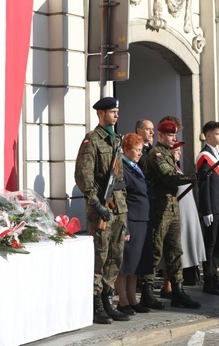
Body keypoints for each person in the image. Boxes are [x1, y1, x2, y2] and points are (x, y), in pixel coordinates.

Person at [75, 96, 130, 324]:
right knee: (100, 256)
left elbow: (119, 177)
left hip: (118, 207)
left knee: (115, 256)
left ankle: (108, 299)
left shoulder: (116, 140)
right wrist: (96, 204)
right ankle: (96, 302)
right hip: (101, 207)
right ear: (101, 113)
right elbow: (83, 176)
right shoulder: (92, 140)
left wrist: (122, 205)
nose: (116, 115)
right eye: (112, 111)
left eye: (117, 111)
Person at [139, 119, 203, 309]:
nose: (173, 138)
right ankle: (147, 291)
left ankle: (178, 290)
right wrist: (194, 176)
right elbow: (169, 177)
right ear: (160, 135)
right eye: (170, 135)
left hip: (172, 208)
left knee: (175, 251)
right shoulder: (157, 154)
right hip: (159, 209)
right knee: (155, 251)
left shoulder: (168, 154)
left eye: (175, 135)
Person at [115, 133, 154, 315]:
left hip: (142, 221)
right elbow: (122, 200)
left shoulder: (135, 167)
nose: (139, 153)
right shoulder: (122, 168)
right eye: (136, 150)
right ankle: (123, 301)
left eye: (140, 150)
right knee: (125, 265)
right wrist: (126, 227)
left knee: (136, 265)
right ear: (126, 150)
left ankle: (132, 299)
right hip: (131, 221)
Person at [196, 121, 219, 294]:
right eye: (218, 134)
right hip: (212, 209)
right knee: (210, 245)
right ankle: (208, 281)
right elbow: (204, 187)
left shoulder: (216, 154)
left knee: (218, 244)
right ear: (208, 135)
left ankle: (215, 276)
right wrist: (207, 210)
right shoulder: (205, 157)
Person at [172, 142, 206, 288]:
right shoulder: (169, 169)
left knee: (189, 244)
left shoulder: (178, 167)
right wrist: (194, 177)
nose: (179, 153)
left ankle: (191, 275)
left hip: (188, 213)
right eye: (176, 150)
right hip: (177, 214)